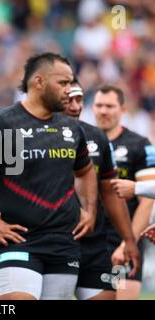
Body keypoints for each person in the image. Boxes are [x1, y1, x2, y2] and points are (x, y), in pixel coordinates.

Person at [0, 52, 98, 300]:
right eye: (63, 83)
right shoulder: (3, 123)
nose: (69, 90)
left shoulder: (72, 127)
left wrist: (89, 209)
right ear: (38, 82)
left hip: (63, 244)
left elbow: (85, 170)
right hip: (19, 241)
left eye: (71, 83)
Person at [62, 80, 139, 300]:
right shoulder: (30, 132)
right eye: (69, 99)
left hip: (97, 244)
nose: (75, 105)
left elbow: (110, 192)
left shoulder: (97, 137)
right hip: (53, 241)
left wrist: (129, 240)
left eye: (79, 99)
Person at [92, 84, 155, 300]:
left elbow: (147, 201)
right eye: (99, 105)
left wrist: (127, 243)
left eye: (110, 106)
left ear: (122, 110)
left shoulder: (140, 145)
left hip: (120, 241)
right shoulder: (82, 141)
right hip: (88, 242)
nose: (104, 111)